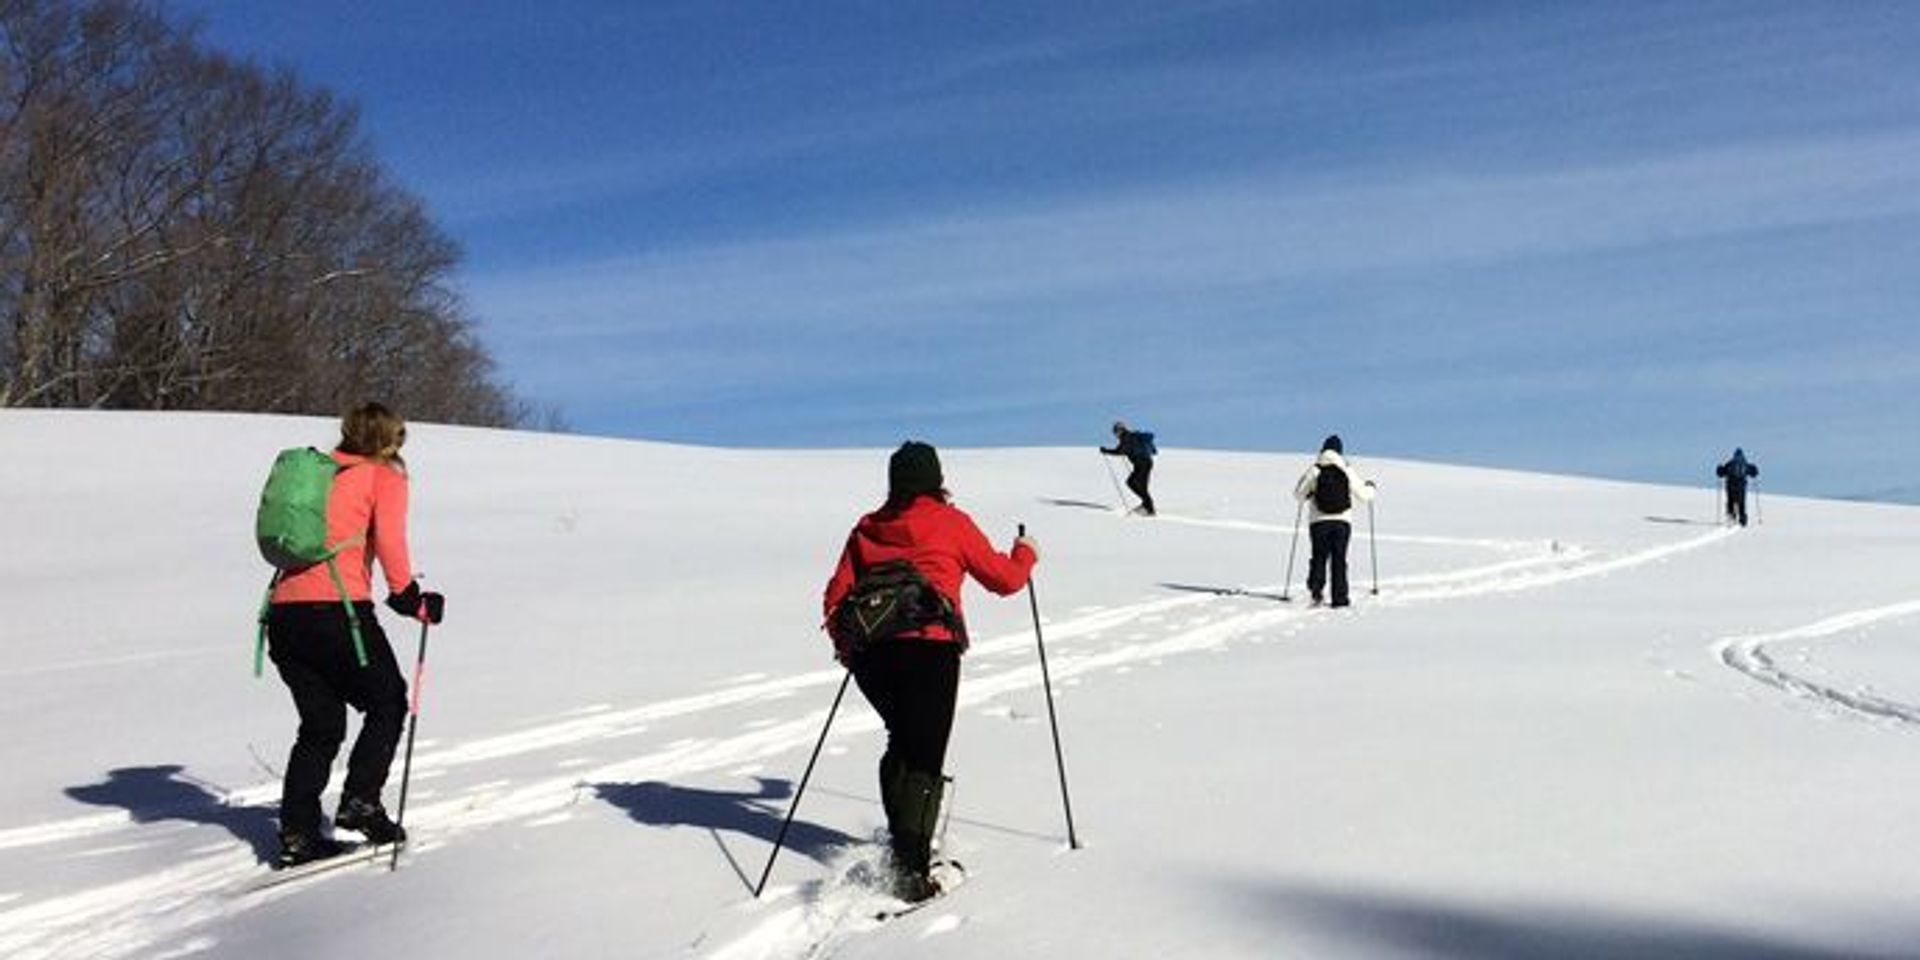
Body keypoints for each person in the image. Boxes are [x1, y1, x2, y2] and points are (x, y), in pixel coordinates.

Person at [822, 441, 1038, 902]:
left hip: (873, 656)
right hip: (930, 650)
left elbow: (836, 598)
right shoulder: (949, 522)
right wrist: (1026, 553)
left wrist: (849, 651)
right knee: (924, 755)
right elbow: (1005, 579)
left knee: (901, 740)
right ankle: (912, 870)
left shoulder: (866, 528)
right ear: (936, 479)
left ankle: (904, 845)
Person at [264, 402, 444, 866]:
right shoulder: (383, 477)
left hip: (283, 614)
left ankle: (299, 834)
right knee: (387, 702)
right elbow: (389, 542)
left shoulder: (321, 473)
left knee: (320, 727)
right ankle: (361, 801)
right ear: (391, 440)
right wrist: (411, 599)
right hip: (337, 613)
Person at [1292, 434, 1375, 608]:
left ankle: (1316, 592)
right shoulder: (1346, 469)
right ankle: (1340, 599)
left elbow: (1298, 495)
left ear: (1323, 449)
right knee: (1339, 559)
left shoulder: (1315, 469)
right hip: (1342, 522)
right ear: (1340, 451)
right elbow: (1364, 495)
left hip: (1319, 521)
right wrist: (1371, 487)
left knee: (1319, 556)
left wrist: (1309, 494)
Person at [1100, 420, 1158, 516]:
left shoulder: (1126, 438)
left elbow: (1119, 451)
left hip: (1142, 464)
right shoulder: (1130, 436)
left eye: (1116, 431)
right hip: (1145, 463)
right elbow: (1122, 450)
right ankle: (1146, 505)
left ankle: (1149, 508)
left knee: (1132, 483)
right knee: (1141, 486)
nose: (1115, 434)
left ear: (1121, 430)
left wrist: (1105, 451)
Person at [1715, 448, 1760, 526]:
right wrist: (1754, 470)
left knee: (1730, 500)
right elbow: (1753, 473)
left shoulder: (1730, 463)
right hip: (1741, 486)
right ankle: (1742, 519)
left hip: (1730, 485)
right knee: (1742, 502)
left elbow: (1722, 473)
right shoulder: (1745, 464)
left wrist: (1719, 469)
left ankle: (1731, 515)